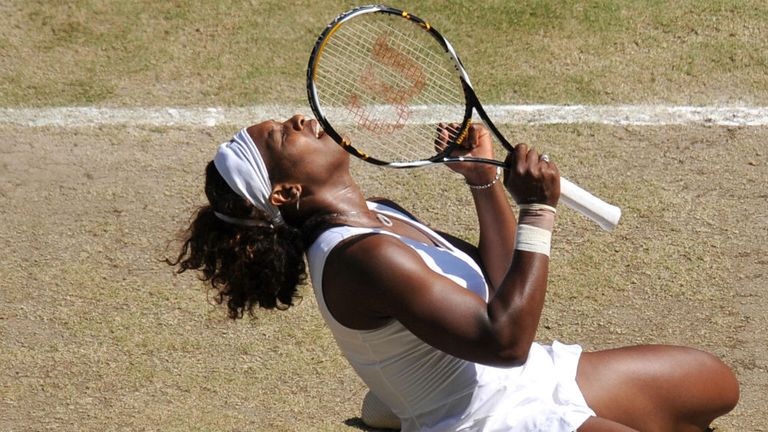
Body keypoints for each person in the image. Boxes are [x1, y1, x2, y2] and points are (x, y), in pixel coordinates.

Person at [169, 115, 739, 431]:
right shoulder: (361, 257)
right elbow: (506, 338)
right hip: (485, 420)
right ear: (286, 191)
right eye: (282, 136)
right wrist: (538, 209)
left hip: (532, 378)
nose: (300, 118)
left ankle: (394, 405)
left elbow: (495, 287)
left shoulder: (384, 214)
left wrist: (482, 181)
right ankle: (411, 412)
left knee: (714, 384)